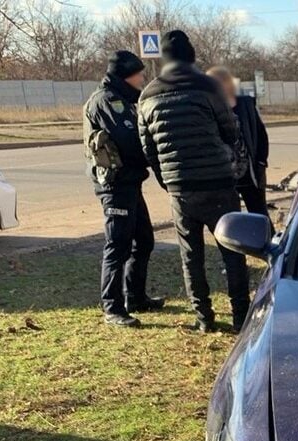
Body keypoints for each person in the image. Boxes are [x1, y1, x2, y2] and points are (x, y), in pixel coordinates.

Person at [138, 31, 250, 333]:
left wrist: (167, 181)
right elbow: (230, 130)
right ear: (192, 55)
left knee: (191, 256)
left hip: (180, 187)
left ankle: (204, 319)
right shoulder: (208, 86)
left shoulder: (147, 94)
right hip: (218, 183)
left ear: (164, 59)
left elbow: (148, 148)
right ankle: (241, 316)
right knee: (234, 250)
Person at [83, 50, 163, 327]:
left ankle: (136, 297)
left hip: (130, 182)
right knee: (118, 245)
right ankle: (113, 307)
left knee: (144, 240)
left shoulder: (125, 100)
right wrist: (155, 153)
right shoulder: (107, 102)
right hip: (115, 185)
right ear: (127, 74)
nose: (143, 78)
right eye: (139, 73)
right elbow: (131, 142)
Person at [207, 66, 270, 217]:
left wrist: (261, 162)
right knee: (232, 218)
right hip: (226, 177)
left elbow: (261, 135)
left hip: (250, 174)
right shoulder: (209, 108)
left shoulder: (245, 104)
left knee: (260, 214)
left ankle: (268, 239)